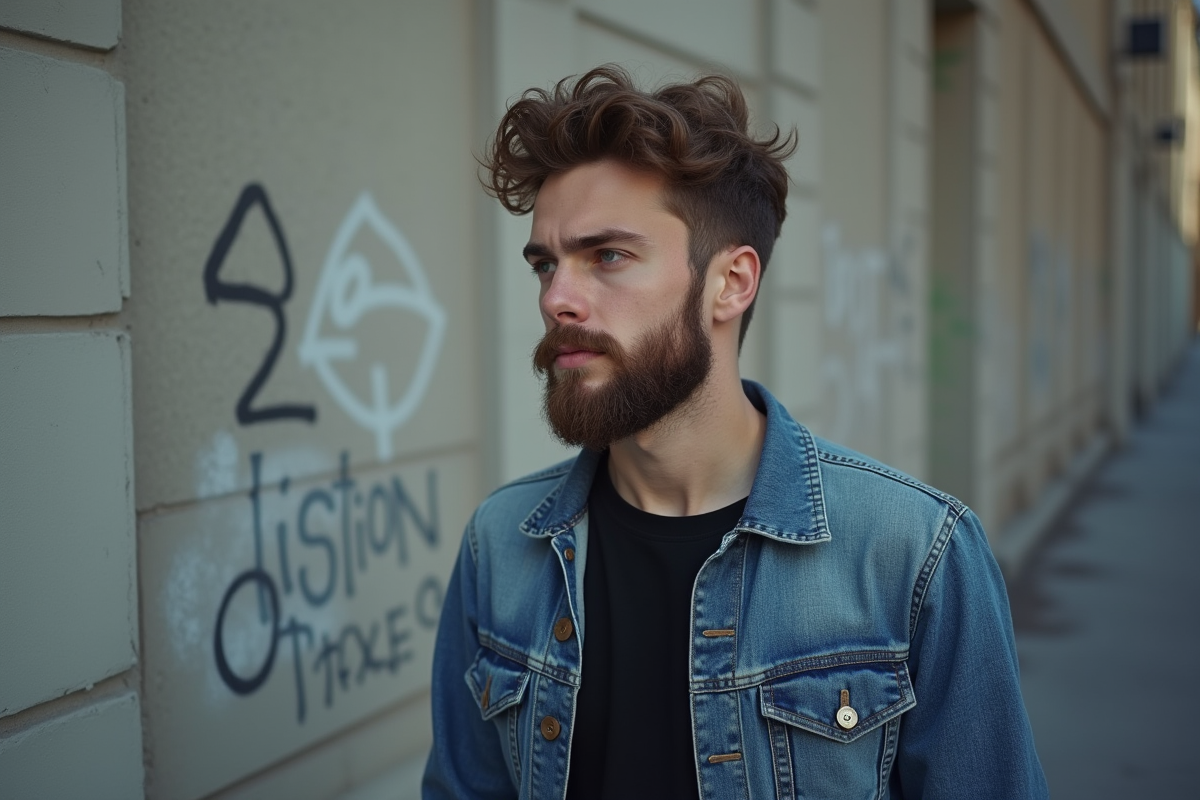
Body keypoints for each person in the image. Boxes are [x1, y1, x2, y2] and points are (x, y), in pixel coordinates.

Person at [423, 65, 1047, 800]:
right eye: (546, 265)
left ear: (731, 283)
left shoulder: (914, 555)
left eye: (608, 256)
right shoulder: (500, 546)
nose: (557, 297)